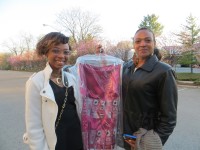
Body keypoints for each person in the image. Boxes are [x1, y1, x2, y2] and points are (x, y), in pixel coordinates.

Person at [23, 32, 83, 150]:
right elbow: (33, 127)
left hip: (75, 138)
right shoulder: (36, 82)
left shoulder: (71, 78)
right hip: (54, 142)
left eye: (66, 52)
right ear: (46, 52)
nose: (62, 56)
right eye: (56, 51)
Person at [122, 27, 178, 149]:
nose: (143, 44)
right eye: (138, 41)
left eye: (147, 40)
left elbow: (169, 117)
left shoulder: (164, 71)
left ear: (154, 43)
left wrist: (152, 142)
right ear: (134, 45)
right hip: (127, 136)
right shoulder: (127, 68)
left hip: (145, 139)